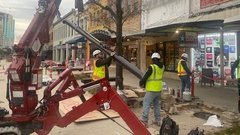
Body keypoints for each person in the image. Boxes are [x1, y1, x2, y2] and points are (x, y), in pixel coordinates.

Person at [139, 52, 164, 127]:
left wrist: (141, 83)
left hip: (151, 89)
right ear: (159, 59)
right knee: (156, 105)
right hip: (159, 89)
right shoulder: (162, 67)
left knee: (146, 103)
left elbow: (145, 76)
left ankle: (144, 120)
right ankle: (158, 120)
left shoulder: (151, 67)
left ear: (153, 59)